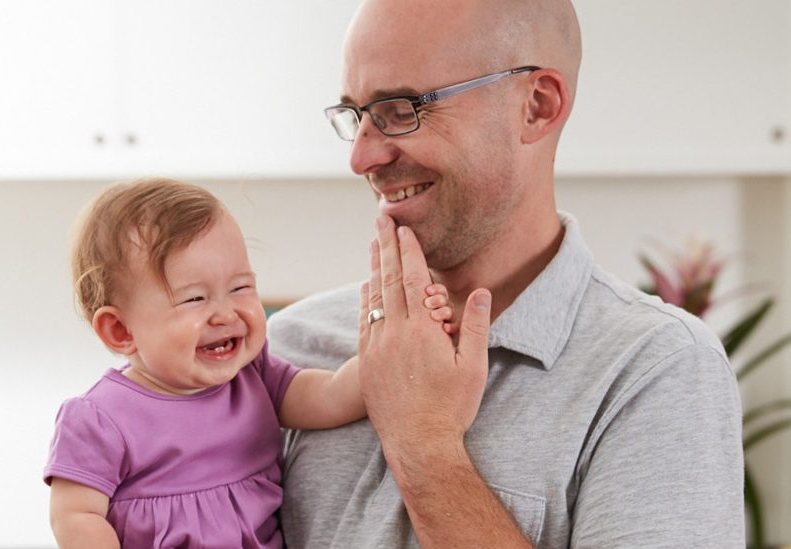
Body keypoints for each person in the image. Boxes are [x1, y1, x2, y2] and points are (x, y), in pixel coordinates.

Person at [267, 0, 745, 547]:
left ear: (537, 106)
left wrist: (424, 445)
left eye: (401, 109)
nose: (361, 157)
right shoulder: (289, 350)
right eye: (355, 115)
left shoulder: (654, 369)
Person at [42, 177, 453, 548]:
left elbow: (329, 397)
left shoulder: (253, 375)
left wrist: (391, 347)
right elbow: (75, 516)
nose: (225, 314)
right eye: (194, 299)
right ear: (120, 331)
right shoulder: (98, 418)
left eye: (240, 288)